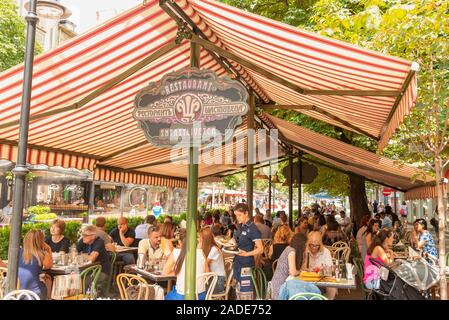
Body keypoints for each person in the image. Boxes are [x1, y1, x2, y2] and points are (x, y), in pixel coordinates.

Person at [271, 233, 320, 300]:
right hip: (280, 287)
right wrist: (301, 272)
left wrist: (309, 269)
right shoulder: (291, 251)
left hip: (287, 285)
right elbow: (293, 272)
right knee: (307, 292)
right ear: (301, 244)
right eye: (305, 245)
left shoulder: (293, 251)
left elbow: (301, 268)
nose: (306, 247)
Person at [163, 229, 208, 300]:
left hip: (182, 296)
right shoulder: (201, 252)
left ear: (180, 242)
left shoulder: (176, 252)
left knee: (165, 297)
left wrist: (178, 272)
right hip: (201, 296)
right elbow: (207, 273)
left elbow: (165, 272)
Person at [230, 203, 263, 284]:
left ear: (246, 213)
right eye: (236, 215)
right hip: (237, 262)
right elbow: (236, 238)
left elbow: (260, 249)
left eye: (239, 215)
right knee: (237, 290)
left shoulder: (253, 228)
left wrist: (247, 254)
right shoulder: (240, 225)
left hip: (246, 264)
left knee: (246, 291)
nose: (237, 218)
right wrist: (232, 241)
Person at [18, 230, 53, 300]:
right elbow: (49, 266)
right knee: (48, 278)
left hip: (19, 292)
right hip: (36, 294)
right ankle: (48, 298)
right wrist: (48, 249)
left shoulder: (19, 252)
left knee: (46, 277)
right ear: (41, 241)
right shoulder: (42, 254)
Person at [302, 231, 337, 299]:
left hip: (322, 282)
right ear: (308, 243)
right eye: (312, 245)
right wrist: (307, 268)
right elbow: (299, 268)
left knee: (332, 288)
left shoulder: (325, 252)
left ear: (320, 244)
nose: (314, 247)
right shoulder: (305, 251)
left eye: (317, 245)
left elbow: (331, 269)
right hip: (307, 281)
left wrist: (324, 269)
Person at [76, 225, 111, 292]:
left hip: (101, 271)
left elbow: (91, 259)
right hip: (87, 270)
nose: (83, 236)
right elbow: (73, 253)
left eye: (85, 235)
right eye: (82, 234)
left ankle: (85, 297)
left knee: (83, 281)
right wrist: (84, 255)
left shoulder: (99, 241)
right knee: (71, 276)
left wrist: (81, 255)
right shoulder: (83, 240)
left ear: (93, 236)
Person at [199, 228, 226, 294]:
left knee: (196, 288)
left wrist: (199, 248)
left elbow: (204, 264)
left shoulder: (214, 249)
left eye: (200, 237)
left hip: (218, 281)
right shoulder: (209, 248)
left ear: (204, 239)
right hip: (212, 278)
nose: (199, 239)